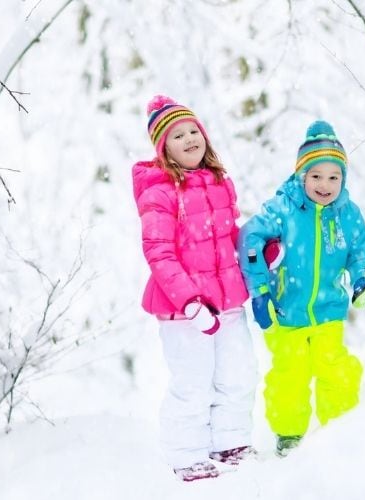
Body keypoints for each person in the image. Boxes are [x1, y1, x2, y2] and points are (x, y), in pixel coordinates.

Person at [132, 95, 257, 481]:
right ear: (163, 149)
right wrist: (190, 302)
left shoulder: (220, 184)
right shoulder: (160, 192)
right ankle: (185, 453)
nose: (189, 139)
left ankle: (230, 441)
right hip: (184, 309)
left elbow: (228, 236)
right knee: (192, 380)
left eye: (193, 131)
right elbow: (159, 252)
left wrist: (259, 246)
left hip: (228, 300)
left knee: (239, 373)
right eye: (177, 135)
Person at [238, 120, 365, 457]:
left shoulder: (348, 214)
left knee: (335, 368)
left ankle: (340, 427)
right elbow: (249, 239)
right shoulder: (282, 209)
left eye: (334, 177)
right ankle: (289, 434)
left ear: (343, 179)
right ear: (302, 175)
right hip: (286, 312)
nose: (325, 185)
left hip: (329, 311)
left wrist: (364, 279)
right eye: (316, 176)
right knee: (290, 373)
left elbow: (363, 254)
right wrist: (260, 290)